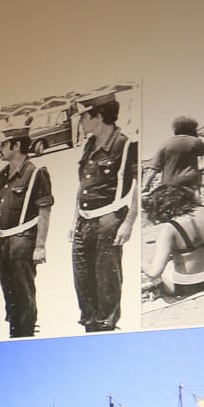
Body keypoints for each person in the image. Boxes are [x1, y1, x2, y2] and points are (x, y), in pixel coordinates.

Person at [72, 91, 138, 333]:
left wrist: (128, 222)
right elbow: (83, 186)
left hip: (108, 220)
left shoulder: (125, 143)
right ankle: (91, 328)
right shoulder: (89, 144)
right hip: (83, 221)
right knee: (83, 280)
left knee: (106, 282)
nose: (80, 122)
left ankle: (107, 329)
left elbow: (137, 185)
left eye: (84, 117)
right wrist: (73, 221)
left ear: (98, 116)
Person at [0, 125, 54, 338]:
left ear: (16, 145)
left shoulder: (35, 173)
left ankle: (27, 334)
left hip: (22, 242)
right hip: (3, 244)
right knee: (9, 293)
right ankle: (15, 333)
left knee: (24, 292)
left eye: (4, 144)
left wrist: (40, 246)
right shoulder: (1, 176)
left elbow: (44, 211)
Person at [148, 116, 204, 197]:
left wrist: (146, 185)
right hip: (189, 184)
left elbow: (153, 169)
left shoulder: (165, 144)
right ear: (192, 129)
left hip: (169, 185)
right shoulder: (196, 142)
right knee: (191, 207)